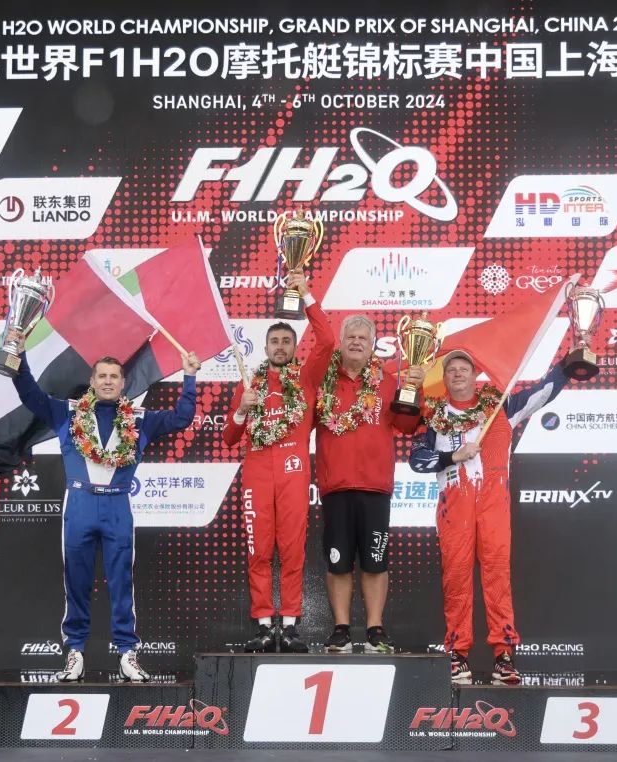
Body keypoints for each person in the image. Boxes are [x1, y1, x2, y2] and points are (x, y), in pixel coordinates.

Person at [8, 327, 200, 681]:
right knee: (76, 582)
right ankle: (75, 652)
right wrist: (18, 355)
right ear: (92, 382)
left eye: (114, 376)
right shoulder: (67, 413)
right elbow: (30, 394)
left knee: (121, 583)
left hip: (117, 508)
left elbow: (181, 417)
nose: (108, 381)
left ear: (123, 383)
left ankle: (127, 653)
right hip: (79, 505)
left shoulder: (140, 419)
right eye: (102, 376)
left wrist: (189, 377)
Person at [409, 349, 568, 683]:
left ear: (475, 375)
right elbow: (417, 460)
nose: (457, 373)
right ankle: (457, 654)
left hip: (494, 505)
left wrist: (571, 360)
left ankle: (504, 655)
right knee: (456, 579)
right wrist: (452, 456)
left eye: (463, 368)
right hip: (454, 507)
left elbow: (543, 392)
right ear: (444, 378)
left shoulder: (501, 407)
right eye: (451, 370)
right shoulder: (434, 417)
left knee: (497, 577)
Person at [222, 270, 333, 653]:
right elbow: (229, 437)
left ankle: (289, 626)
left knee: (292, 549)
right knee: (258, 550)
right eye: (275, 341)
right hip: (256, 475)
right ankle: (263, 625)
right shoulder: (249, 383)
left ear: (294, 346)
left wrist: (307, 296)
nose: (281, 346)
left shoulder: (306, 378)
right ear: (266, 346)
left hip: (292, 474)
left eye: (287, 341)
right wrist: (241, 410)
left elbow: (328, 340)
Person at [309, 292, 426, 654]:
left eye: (363, 338)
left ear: (374, 345)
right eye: (351, 337)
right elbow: (301, 423)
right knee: (338, 561)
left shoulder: (388, 381)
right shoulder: (323, 382)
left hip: (375, 488)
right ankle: (341, 629)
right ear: (341, 342)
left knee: (375, 562)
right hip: (335, 487)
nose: (357, 342)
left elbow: (407, 426)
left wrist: (416, 389)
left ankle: (375, 629)